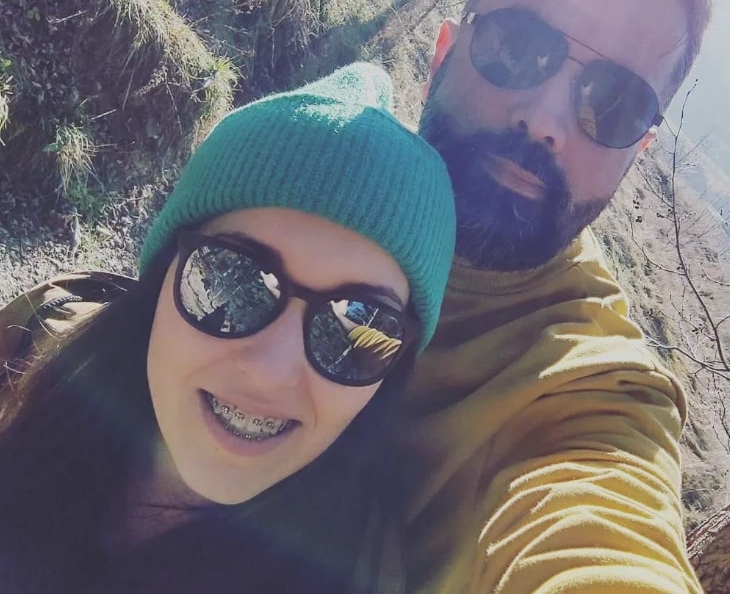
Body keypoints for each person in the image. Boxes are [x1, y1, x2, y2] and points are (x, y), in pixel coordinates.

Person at [0, 62, 456, 593]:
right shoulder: (33, 334)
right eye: (234, 276)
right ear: (163, 271)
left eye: (358, 323)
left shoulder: (355, 576)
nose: (270, 372)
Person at [393, 0, 716, 594]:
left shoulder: (595, 392)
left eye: (615, 103)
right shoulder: (305, 174)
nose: (544, 120)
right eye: (516, 45)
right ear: (443, 52)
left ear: (638, 149)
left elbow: (607, 533)